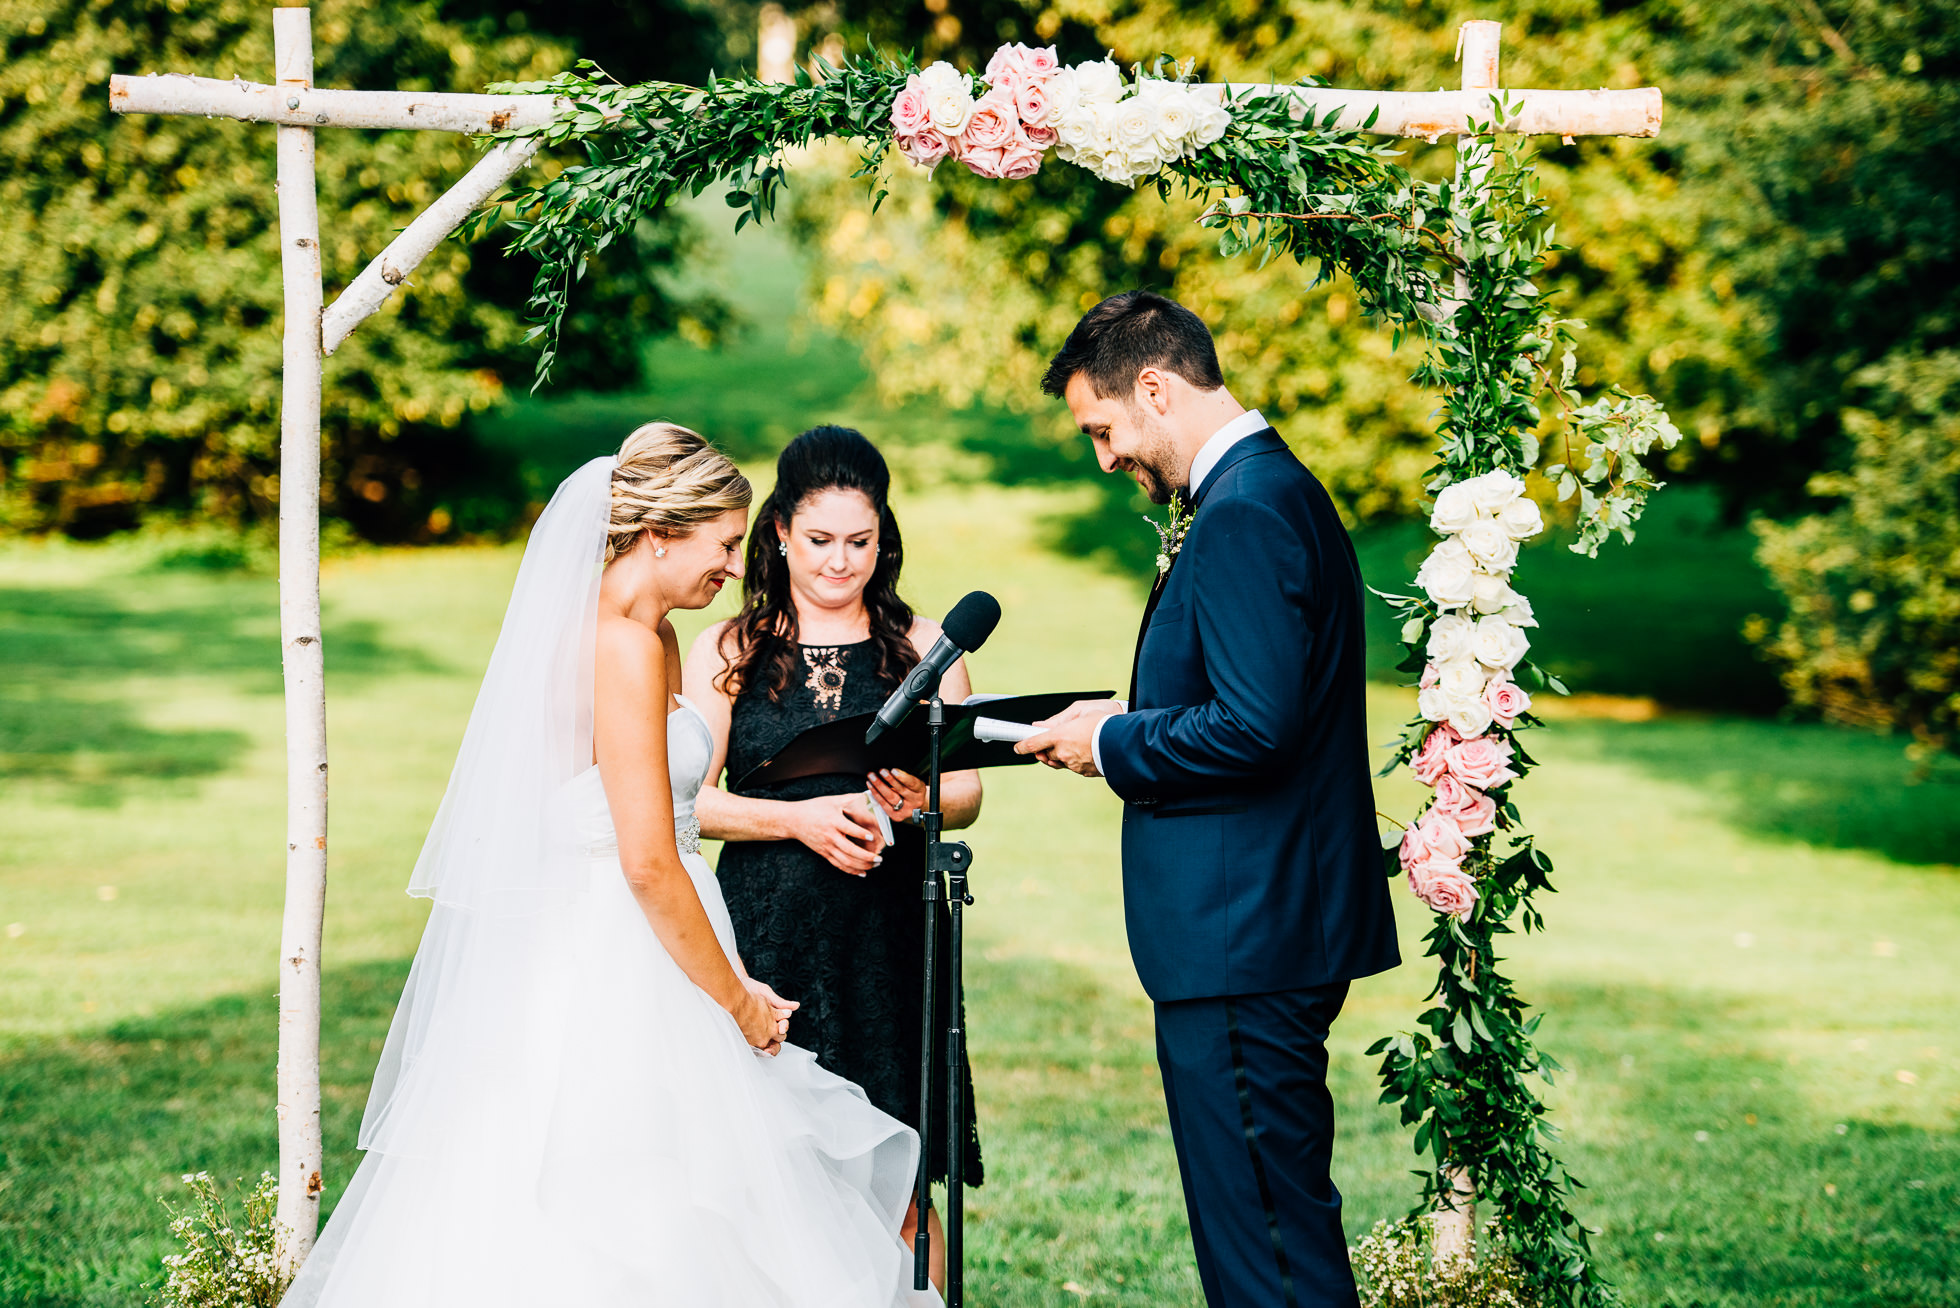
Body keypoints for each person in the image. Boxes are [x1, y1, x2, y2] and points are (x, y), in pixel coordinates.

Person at [281, 424, 937, 1308]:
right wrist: (736, 1003)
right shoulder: (619, 645)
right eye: (721, 543)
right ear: (662, 534)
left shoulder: (654, 632)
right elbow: (647, 862)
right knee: (639, 1203)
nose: (729, 566)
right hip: (621, 955)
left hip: (675, 936)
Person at [1018, 292, 1401, 1308]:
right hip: (1266, 927)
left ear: (1155, 388)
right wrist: (1134, 710)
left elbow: (1256, 728)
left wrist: (1109, 739)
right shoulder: (1270, 493)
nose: (1104, 459)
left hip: (1245, 935)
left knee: (1267, 1256)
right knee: (1269, 1233)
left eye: (1102, 430)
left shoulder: (1242, 513)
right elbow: (1255, 698)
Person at [684, 426, 984, 1291]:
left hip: (888, 944)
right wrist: (799, 821)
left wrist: (922, 796)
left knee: (895, 1173)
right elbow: (687, 804)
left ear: (884, 537)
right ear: (778, 531)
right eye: (820, 541)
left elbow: (965, 792)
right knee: (773, 1168)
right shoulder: (730, 650)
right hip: (766, 942)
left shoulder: (926, 647)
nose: (840, 562)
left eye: (861, 541)